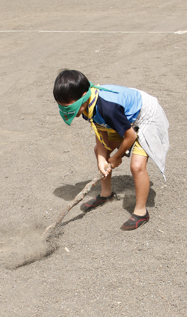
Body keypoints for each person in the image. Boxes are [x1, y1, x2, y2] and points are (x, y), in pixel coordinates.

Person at [53, 70, 169, 230]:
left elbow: (130, 136)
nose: (66, 110)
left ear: (83, 95)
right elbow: (100, 129)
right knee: (100, 151)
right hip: (123, 119)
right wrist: (102, 158)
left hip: (144, 116)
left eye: (69, 106)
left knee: (137, 166)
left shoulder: (108, 107)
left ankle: (141, 212)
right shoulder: (87, 106)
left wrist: (117, 156)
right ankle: (106, 194)